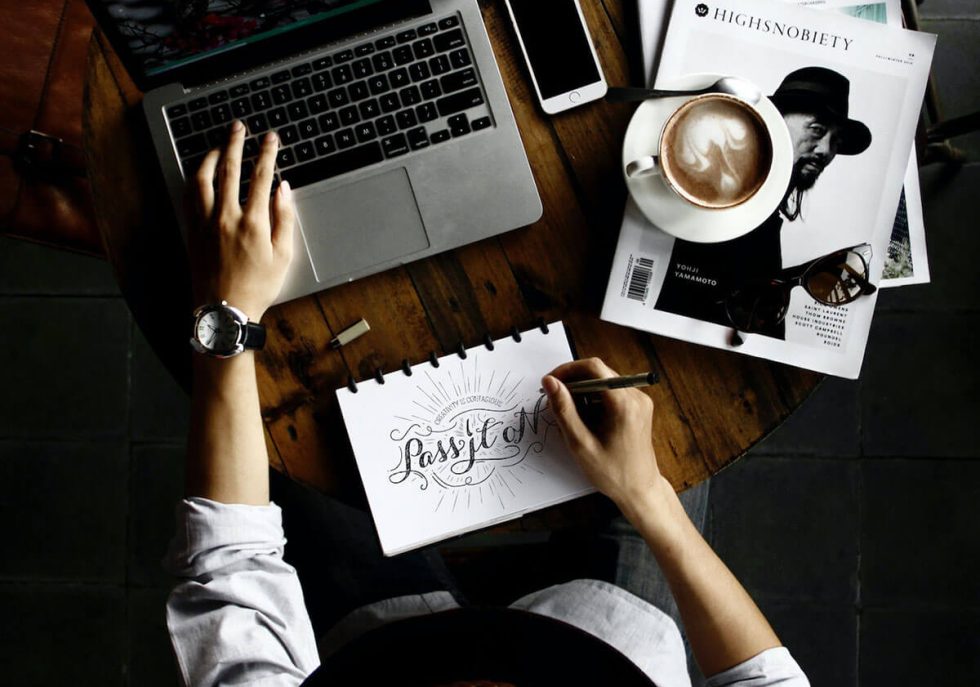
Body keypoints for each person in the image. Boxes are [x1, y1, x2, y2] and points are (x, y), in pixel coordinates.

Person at [164, 120, 810, 685]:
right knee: (676, 386)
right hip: (618, 632)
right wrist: (646, 496)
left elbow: (229, 565)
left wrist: (230, 311)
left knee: (293, 437)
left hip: (377, 638)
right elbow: (766, 677)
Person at [654, 66, 873, 338]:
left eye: (836, 141)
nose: (827, 151)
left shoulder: (765, 217)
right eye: (817, 130)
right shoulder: (723, 199)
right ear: (775, 120)